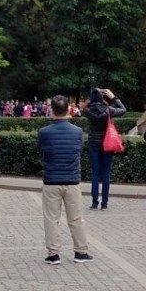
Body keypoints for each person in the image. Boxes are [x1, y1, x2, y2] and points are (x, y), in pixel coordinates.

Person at [37, 95, 94, 265]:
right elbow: (79, 151)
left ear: (52, 110)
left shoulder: (44, 132)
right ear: (68, 110)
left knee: (51, 219)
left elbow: (41, 152)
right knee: (76, 219)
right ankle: (81, 252)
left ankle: (53, 254)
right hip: (72, 180)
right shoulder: (77, 132)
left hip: (51, 180)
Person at [84, 88, 126, 210]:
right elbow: (123, 110)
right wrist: (113, 98)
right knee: (106, 173)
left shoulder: (88, 111)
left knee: (95, 174)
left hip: (93, 144)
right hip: (107, 144)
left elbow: (83, 107)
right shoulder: (109, 110)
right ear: (102, 98)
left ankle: (94, 202)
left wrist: (90, 100)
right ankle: (105, 203)